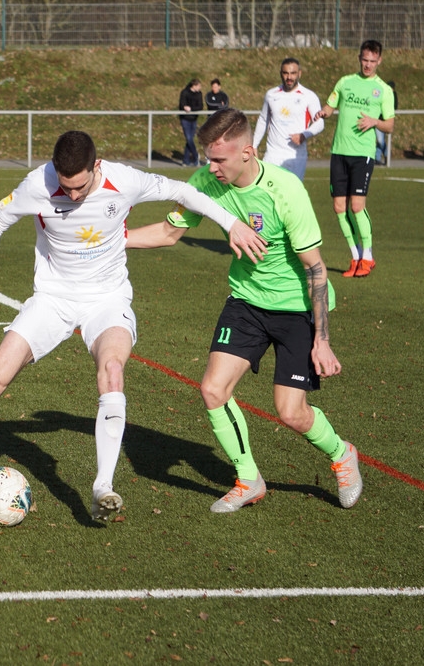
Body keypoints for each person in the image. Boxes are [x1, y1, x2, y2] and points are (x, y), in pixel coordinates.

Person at [0, 130, 268, 521]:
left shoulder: (123, 180)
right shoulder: (38, 184)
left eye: (80, 187)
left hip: (107, 300)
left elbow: (184, 191)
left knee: (112, 371)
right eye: (66, 187)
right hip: (52, 299)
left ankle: (103, 486)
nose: (73, 196)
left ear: (96, 166)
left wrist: (232, 223)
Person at [127, 109, 363, 514]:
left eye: (219, 159)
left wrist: (322, 340)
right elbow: (169, 233)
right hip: (245, 302)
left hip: (296, 308)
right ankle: (248, 479)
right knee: (213, 390)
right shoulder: (205, 183)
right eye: (208, 158)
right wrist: (114, 240)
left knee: (290, 412)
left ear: (248, 152)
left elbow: (317, 268)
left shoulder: (285, 190)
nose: (210, 167)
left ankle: (342, 455)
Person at [316, 40, 395, 278]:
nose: (368, 65)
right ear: (359, 58)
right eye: (365, 60)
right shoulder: (345, 82)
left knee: (356, 206)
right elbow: (330, 106)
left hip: (362, 154)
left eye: (372, 61)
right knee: (339, 208)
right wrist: (324, 112)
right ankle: (355, 255)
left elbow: (389, 125)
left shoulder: (383, 90)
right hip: (339, 152)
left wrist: (374, 122)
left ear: (379, 60)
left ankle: (368, 257)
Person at [251, 57, 325, 181]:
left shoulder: (309, 96)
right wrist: (254, 144)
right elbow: (263, 119)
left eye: (293, 73)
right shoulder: (271, 94)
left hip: (295, 156)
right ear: (281, 74)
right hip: (272, 154)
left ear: (299, 73)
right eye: (285, 73)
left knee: (291, 196)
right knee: (269, 194)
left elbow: (320, 123)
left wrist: (304, 135)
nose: (289, 77)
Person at [179, 79, 204, 166]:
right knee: (189, 138)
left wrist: (191, 109)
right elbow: (182, 105)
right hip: (185, 119)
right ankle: (196, 155)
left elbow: (200, 106)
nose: (200, 88)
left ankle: (186, 161)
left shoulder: (199, 94)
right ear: (194, 85)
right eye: (199, 86)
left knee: (189, 140)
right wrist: (185, 108)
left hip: (194, 119)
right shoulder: (185, 92)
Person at [374, 81, 397, 165]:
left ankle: (385, 156)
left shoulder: (393, 95)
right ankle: (378, 157)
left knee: (381, 140)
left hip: (386, 121)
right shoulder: (381, 93)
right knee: (380, 140)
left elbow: (395, 106)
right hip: (378, 120)